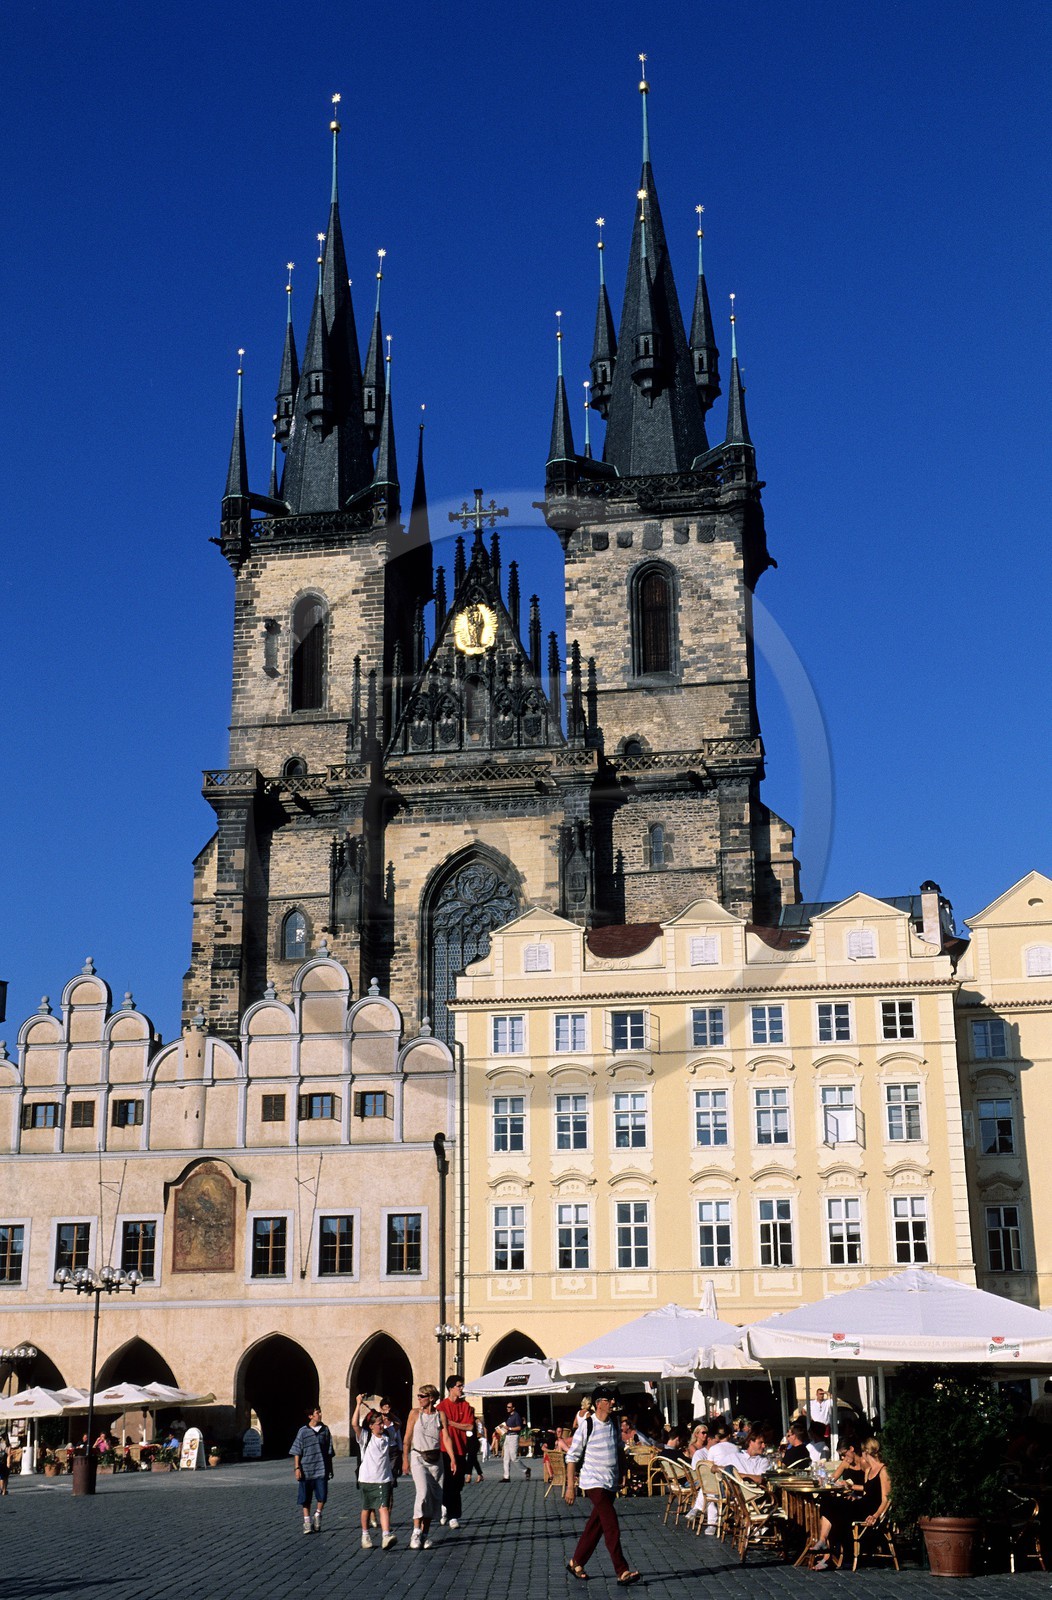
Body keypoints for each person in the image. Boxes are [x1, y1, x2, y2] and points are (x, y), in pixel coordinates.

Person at [564, 1388, 640, 1585]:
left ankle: (576, 1562)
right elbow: (572, 1456)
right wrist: (570, 1486)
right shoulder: (587, 1425)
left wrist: (623, 1472)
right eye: (609, 1399)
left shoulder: (614, 1423)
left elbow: (618, 1449)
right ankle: (621, 1570)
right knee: (611, 1524)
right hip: (593, 1482)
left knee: (596, 1525)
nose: (613, 1403)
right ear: (599, 1403)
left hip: (610, 1482)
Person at [403, 1383, 456, 1549]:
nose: (419, 1399)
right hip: (418, 1457)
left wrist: (452, 1459)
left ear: (431, 1398)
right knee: (423, 1493)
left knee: (434, 1498)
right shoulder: (414, 1414)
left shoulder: (440, 1415)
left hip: (436, 1460)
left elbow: (446, 1437)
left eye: (422, 1396)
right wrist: (405, 1459)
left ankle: (425, 1534)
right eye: (418, 1396)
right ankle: (416, 1532)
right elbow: (407, 1438)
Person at [353, 1394, 398, 1550]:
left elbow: (398, 1422)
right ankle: (365, 1535)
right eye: (378, 1424)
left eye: (382, 1423)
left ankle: (386, 1536)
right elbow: (354, 1424)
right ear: (371, 1426)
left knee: (383, 1507)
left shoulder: (388, 1435)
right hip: (367, 1479)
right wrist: (359, 1404)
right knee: (367, 1508)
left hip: (384, 1478)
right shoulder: (365, 1437)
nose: (381, 1426)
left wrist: (385, 1413)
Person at [289, 1403, 335, 1536]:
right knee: (305, 1498)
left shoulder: (325, 1430)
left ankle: (318, 1514)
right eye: (317, 1413)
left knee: (322, 1496)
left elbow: (329, 1451)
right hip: (306, 1469)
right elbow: (297, 1450)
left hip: (321, 1468)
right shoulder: (303, 1431)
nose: (320, 1415)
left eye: (320, 1412)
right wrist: (297, 1468)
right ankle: (307, 1522)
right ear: (310, 1416)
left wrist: (330, 1468)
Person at [437, 1374, 474, 1526]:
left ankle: (446, 1506)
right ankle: (453, 1516)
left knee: (458, 1484)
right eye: (459, 1386)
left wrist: (451, 1422)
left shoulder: (465, 1406)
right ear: (451, 1388)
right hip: (445, 1449)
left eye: (462, 1385)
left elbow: (470, 1426)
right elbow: (441, 1426)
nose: (461, 1388)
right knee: (448, 1482)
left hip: (460, 1449)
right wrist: (457, 1424)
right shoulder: (442, 1407)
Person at [501, 1400, 530, 1482]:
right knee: (506, 1457)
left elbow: (519, 1427)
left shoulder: (516, 1416)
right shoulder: (509, 1416)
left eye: (509, 1407)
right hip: (507, 1436)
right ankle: (506, 1477)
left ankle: (525, 1469)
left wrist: (509, 1428)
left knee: (513, 1457)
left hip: (513, 1436)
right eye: (507, 1407)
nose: (507, 1408)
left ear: (513, 1408)